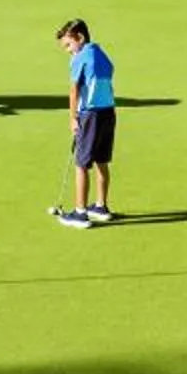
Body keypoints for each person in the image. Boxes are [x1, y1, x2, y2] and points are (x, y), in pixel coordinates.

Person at [54, 18, 116, 226]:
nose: (68, 51)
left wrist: (73, 118)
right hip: (108, 112)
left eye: (69, 45)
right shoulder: (101, 54)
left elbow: (74, 91)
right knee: (101, 161)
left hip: (90, 115)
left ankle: (80, 213)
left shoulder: (80, 58)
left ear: (80, 38)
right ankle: (101, 206)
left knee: (81, 164)